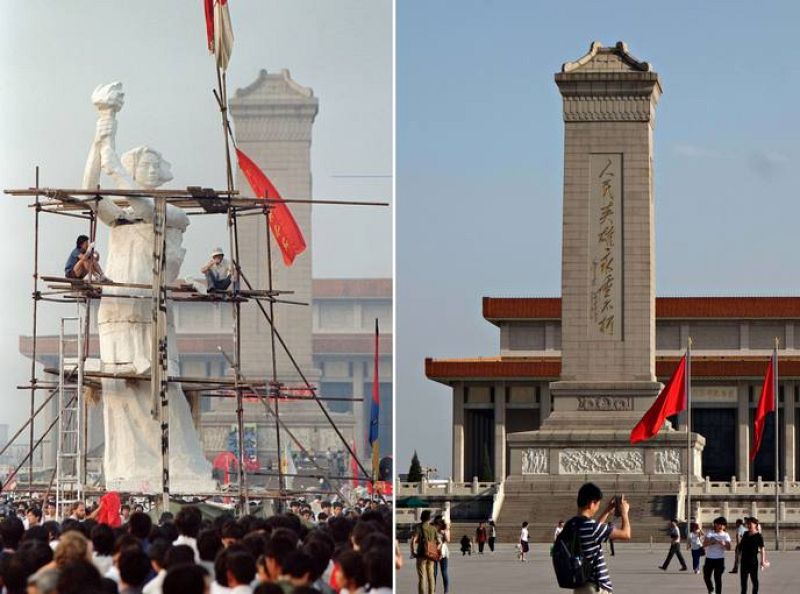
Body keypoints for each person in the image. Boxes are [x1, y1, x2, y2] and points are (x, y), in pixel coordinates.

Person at [82, 82, 214, 492]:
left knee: (160, 387)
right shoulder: (120, 218)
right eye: (147, 164)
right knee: (121, 389)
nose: (154, 170)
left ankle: (175, 464)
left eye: (157, 164)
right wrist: (99, 133)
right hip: (117, 308)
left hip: (150, 311)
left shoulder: (169, 213)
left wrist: (111, 134)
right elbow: (91, 194)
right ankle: (126, 467)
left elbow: (129, 191)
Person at [568, 483, 631, 594]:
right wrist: (624, 513)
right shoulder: (591, 527)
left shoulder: (571, 525)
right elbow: (626, 534)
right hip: (596, 587)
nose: (597, 508)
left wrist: (607, 510)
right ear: (592, 503)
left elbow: (595, 531)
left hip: (579, 587)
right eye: (597, 505)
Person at [409, 509, 437, 594]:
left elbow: (413, 540)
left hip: (421, 554)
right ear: (429, 518)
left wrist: (413, 552)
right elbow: (437, 541)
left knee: (422, 577)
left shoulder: (418, 527)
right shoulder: (433, 528)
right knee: (431, 577)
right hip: (431, 554)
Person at [702, 516, 731, 594]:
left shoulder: (726, 535)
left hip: (719, 559)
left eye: (723, 525)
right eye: (719, 524)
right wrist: (711, 542)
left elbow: (729, 548)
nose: (721, 526)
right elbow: (704, 544)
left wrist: (724, 544)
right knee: (706, 577)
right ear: (715, 524)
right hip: (709, 558)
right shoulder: (710, 533)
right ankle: (711, 589)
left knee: (717, 578)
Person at [739, 517, 766, 594]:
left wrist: (762, 561)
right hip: (744, 562)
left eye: (750, 524)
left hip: (753, 562)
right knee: (743, 583)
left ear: (755, 525)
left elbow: (762, 549)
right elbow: (740, 546)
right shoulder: (745, 534)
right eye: (748, 524)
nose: (749, 525)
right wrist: (737, 558)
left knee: (754, 581)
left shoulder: (758, 536)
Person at [432, 516, 449, 594]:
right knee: (434, 573)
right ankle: (433, 589)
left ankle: (446, 590)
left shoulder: (444, 530)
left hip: (443, 553)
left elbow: (448, 540)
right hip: (434, 553)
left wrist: (444, 533)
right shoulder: (432, 530)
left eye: (437, 524)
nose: (436, 526)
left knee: (444, 572)